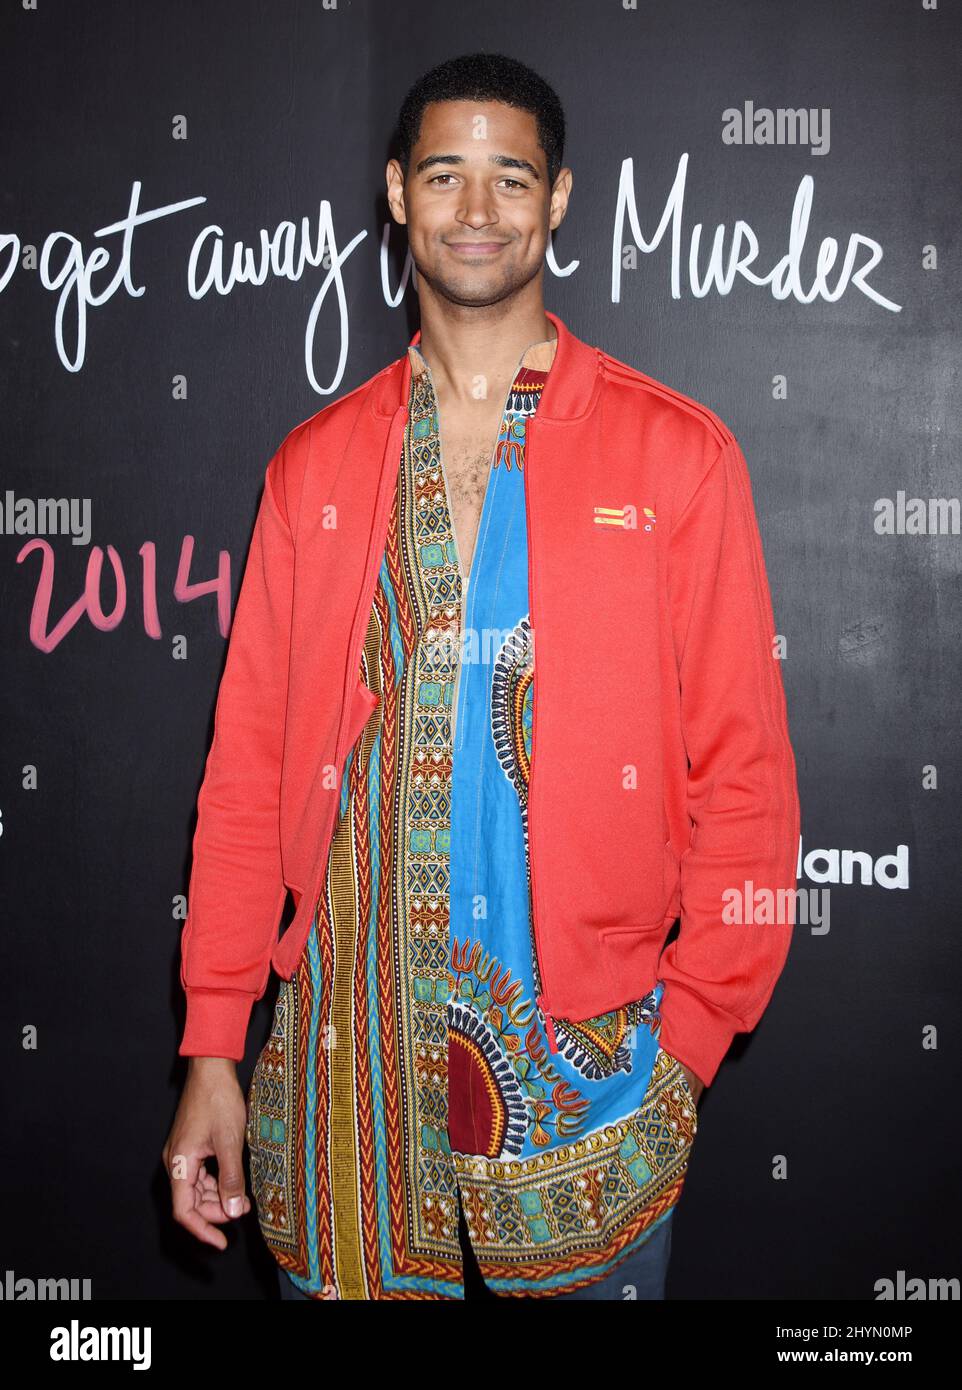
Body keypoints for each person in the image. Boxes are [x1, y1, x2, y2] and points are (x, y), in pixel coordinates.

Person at [163, 51, 800, 1301]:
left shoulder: (675, 456)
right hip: (335, 1099)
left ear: (557, 200)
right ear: (395, 192)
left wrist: (686, 1047)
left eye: (510, 177)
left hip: (591, 1109)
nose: (475, 210)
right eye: (443, 175)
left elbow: (747, 783)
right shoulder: (313, 467)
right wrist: (211, 1046)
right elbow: (244, 781)